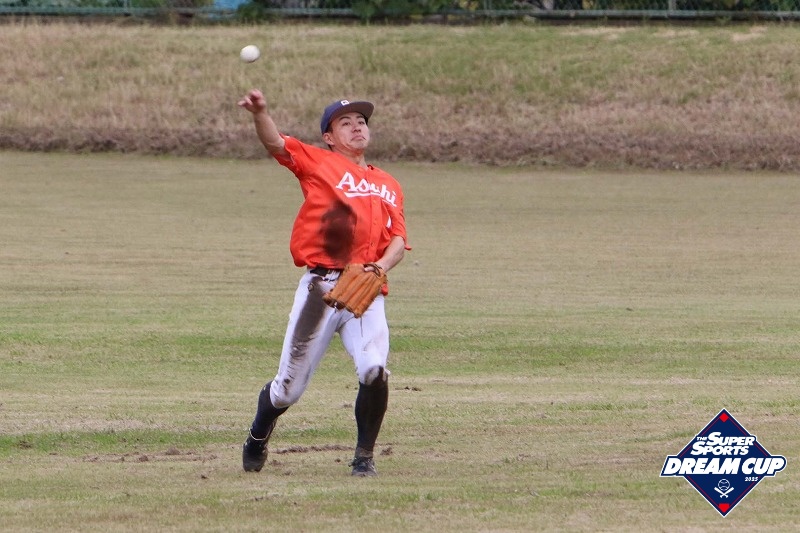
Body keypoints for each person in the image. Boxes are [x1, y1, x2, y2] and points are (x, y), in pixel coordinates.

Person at [237, 89, 409, 477]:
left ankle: (363, 458)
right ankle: (258, 434)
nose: (357, 127)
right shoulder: (319, 162)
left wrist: (379, 267)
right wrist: (260, 112)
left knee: (374, 369)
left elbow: (399, 239)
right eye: (345, 123)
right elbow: (276, 143)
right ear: (329, 137)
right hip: (321, 288)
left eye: (361, 121)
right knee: (288, 389)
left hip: (366, 289)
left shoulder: (388, 183)